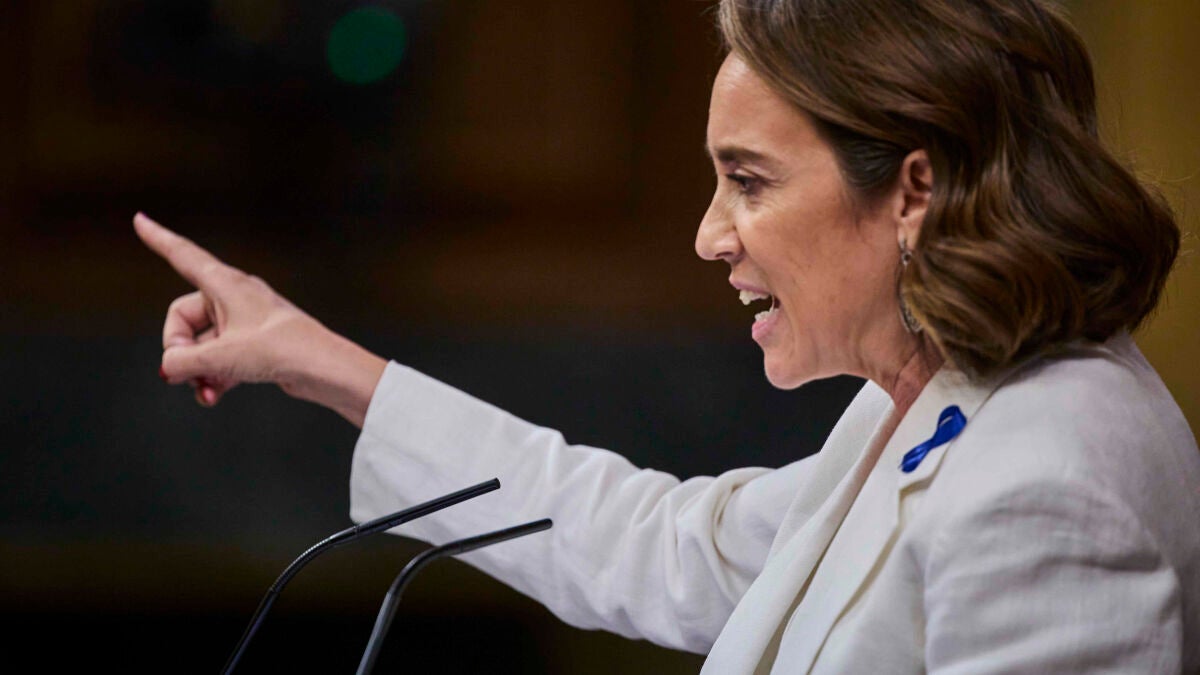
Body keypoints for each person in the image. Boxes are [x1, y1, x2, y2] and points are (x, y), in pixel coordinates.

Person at [136, 0, 1200, 671]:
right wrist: (321, 362)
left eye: (749, 180)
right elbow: (662, 544)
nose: (708, 235)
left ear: (913, 190)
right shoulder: (938, 403)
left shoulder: (1047, 479)